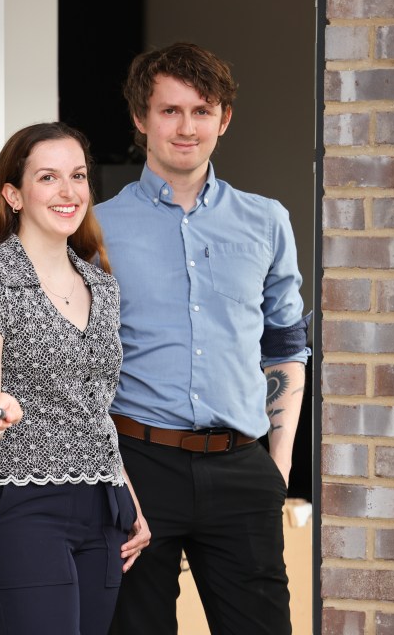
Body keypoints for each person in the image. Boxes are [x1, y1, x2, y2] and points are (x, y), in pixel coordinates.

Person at [95, 43, 311, 635]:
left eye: (201, 110)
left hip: (244, 467)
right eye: (169, 111)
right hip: (137, 465)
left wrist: (279, 466)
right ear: (140, 120)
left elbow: (286, 344)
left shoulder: (267, 221)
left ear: (224, 119)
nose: (186, 128)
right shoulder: (96, 227)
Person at [0, 122, 151, 635]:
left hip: (104, 506)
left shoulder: (101, 283)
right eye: (47, 177)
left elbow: (96, 409)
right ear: (14, 195)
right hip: (23, 504)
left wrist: (130, 499)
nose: (68, 191)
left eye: (77, 176)